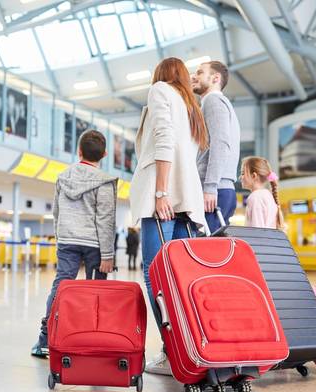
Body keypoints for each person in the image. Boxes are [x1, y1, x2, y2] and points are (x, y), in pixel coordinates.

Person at [130, 57, 208, 375]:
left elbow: (163, 139)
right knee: (181, 276)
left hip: (164, 198)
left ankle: (170, 350)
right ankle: (191, 347)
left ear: (161, 75)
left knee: (155, 273)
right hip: (187, 198)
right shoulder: (190, 104)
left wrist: (160, 191)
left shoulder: (161, 90)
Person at [31, 130, 118, 358]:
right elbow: (106, 220)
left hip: (68, 240)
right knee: (96, 291)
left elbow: (56, 212)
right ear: (105, 154)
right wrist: (108, 255)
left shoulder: (63, 177)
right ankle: (93, 339)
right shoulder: (105, 182)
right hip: (95, 244)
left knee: (60, 287)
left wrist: (61, 240)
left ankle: (44, 340)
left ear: (79, 151)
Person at [191, 61, 240, 232]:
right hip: (220, 189)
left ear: (215, 78)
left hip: (215, 191)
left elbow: (220, 143)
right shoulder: (215, 102)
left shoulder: (213, 101)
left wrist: (210, 186)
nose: (193, 76)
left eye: (199, 72)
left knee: (203, 254)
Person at [239, 156, 284, 229]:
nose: (240, 177)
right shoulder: (267, 195)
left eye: (243, 173)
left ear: (254, 176)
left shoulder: (255, 197)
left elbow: (257, 231)